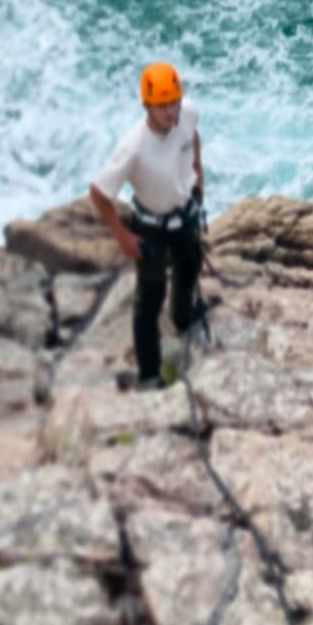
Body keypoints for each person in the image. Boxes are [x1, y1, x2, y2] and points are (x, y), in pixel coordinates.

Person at [89, 60, 205, 388]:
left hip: (185, 214)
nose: (171, 111)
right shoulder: (133, 147)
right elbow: (99, 193)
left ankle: (182, 319)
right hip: (151, 226)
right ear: (147, 106)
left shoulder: (188, 113)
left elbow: (192, 137)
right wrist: (123, 237)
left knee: (190, 266)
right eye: (163, 105)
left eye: (174, 102)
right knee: (149, 299)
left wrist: (199, 177)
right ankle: (150, 375)